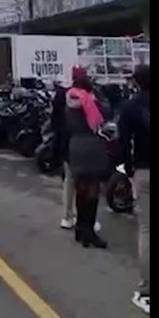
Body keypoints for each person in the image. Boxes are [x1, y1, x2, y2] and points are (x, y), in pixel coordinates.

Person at [117, 64, 151, 315]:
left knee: (147, 230)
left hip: (143, 171)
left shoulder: (130, 107)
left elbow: (123, 142)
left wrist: (128, 170)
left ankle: (147, 288)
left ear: (136, 82)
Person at [65, 66, 110, 248]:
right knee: (93, 189)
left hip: (75, 144)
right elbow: (104, 114)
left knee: (81, 187)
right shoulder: (90, 99)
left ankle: (80, 229)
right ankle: (89, 231)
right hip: (91, 144)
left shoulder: (68, 97)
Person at [53, 75, 101, 233]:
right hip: (84, 145)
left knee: (70, 180)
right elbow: (98, 121)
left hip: (67, 143)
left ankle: (68, 216)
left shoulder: (63, 97)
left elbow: (55, 121)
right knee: (88, 183)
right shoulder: (89, 100)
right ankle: (86, 221)